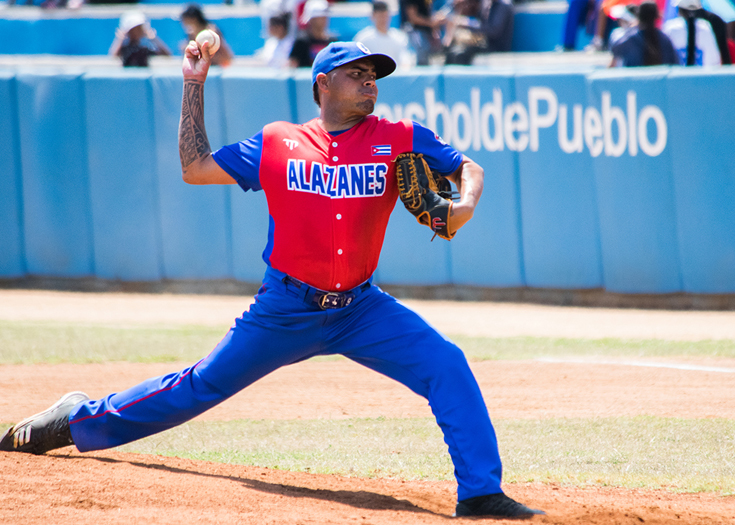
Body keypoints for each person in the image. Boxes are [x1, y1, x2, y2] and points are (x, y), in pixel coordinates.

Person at [0, 40, 546, 519]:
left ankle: (479, 494)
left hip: (361, 309)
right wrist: (194, 83)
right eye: (357, 74)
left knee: (446, 363)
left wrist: (463, 205)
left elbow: (466, 167)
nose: (370, 83)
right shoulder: (279, 141)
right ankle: (76, 419)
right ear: (323, 84)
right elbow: (195, 167)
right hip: (285, 308)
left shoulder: (400, 136)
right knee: (197, 388)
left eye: (374, 75)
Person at [609, 2, 680, 67]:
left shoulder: (630, 37)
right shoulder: (664, 38)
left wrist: (632, 27)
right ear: (656, 17)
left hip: (635, 79)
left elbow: (615, 48)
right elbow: (675, 62)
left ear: (639, 16)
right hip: (659, 80)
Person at [353, 1, 414, 68]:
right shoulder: (363, 39)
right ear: (373, 16)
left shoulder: (399, 37)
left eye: (385, 16)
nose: (383, 19)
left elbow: (405, 59)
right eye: (380, 16)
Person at [662, 0, 722, 66]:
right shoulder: (705, 27)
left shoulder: (670, 28)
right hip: (703, 75)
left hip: (677, 75)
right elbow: (715, 60)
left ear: (679, 9)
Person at [290, 0, 337, 68]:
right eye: (319, 18)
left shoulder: (332, 41)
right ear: (311, 20)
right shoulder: (301, 41)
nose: (324, 20)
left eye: (324, 17)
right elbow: (292, 65)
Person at [400, 0, 446, 65]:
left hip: (427, 32)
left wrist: (435, 27)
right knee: (421, 58)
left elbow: (428, 13)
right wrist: (431, 23)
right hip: (414, 31)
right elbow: (413, 18)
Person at [442, 0, 487, 65]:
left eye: (466, 3)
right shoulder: (455, 19)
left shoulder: (476, 18)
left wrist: (464, 22)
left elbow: (482, 31)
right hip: (458, 49)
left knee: (460, 55)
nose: (466, 6)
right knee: (452, 54)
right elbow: (446, 43)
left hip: (476, 49)